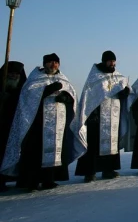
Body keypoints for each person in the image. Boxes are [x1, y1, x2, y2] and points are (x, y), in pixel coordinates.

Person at [1, 54, 83, 191]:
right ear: (44, 64)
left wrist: (66, 98)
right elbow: (28, 98)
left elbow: (72, 98)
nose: (53, 65)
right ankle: (31, 182)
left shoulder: (63, 79)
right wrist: (46, 91)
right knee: (35, 153)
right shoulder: (35, 79)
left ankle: (48, 180)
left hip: (57, 123)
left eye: (56, 63)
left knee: (54, 152)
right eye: (50, 62)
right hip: (37, 123)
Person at [74, 51, 131, 183]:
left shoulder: (118, 77)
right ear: (104, 61)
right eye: (110, 61)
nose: (112, 63)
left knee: (111, 143)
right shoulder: (95, 77)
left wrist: (126, 92)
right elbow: (89, 97)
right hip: (96, 117)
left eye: (114, 61)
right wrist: (92, 113)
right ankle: (89, 172)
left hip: (113, 116)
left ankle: (109, 169)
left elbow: (126, 92)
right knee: (93, 145)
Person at [0, 61, 27, 191]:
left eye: (16, 74)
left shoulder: (23, 89)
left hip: (16, 126)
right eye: (10, 73)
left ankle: (16, 179)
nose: (13, 76)